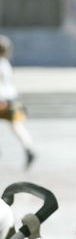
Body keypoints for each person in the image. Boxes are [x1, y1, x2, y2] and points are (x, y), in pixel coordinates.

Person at [0, 35, 35, 168]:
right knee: (16, 126)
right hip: (12, 99)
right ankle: (29, 148)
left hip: (2, 99)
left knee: (15, 125)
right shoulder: (6, 63)